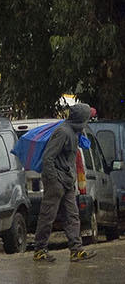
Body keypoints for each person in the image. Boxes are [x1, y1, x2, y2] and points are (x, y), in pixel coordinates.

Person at [30, 103, 95, 262]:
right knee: (48, 216)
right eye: (87, 118)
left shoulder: (74, 132)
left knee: (72, 216)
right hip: (57, 181)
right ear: (81, 118)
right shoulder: (63, 132)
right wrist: (54, 180)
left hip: (66, 181)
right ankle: (39, 250)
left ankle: (76, 249)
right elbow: (48, 157)